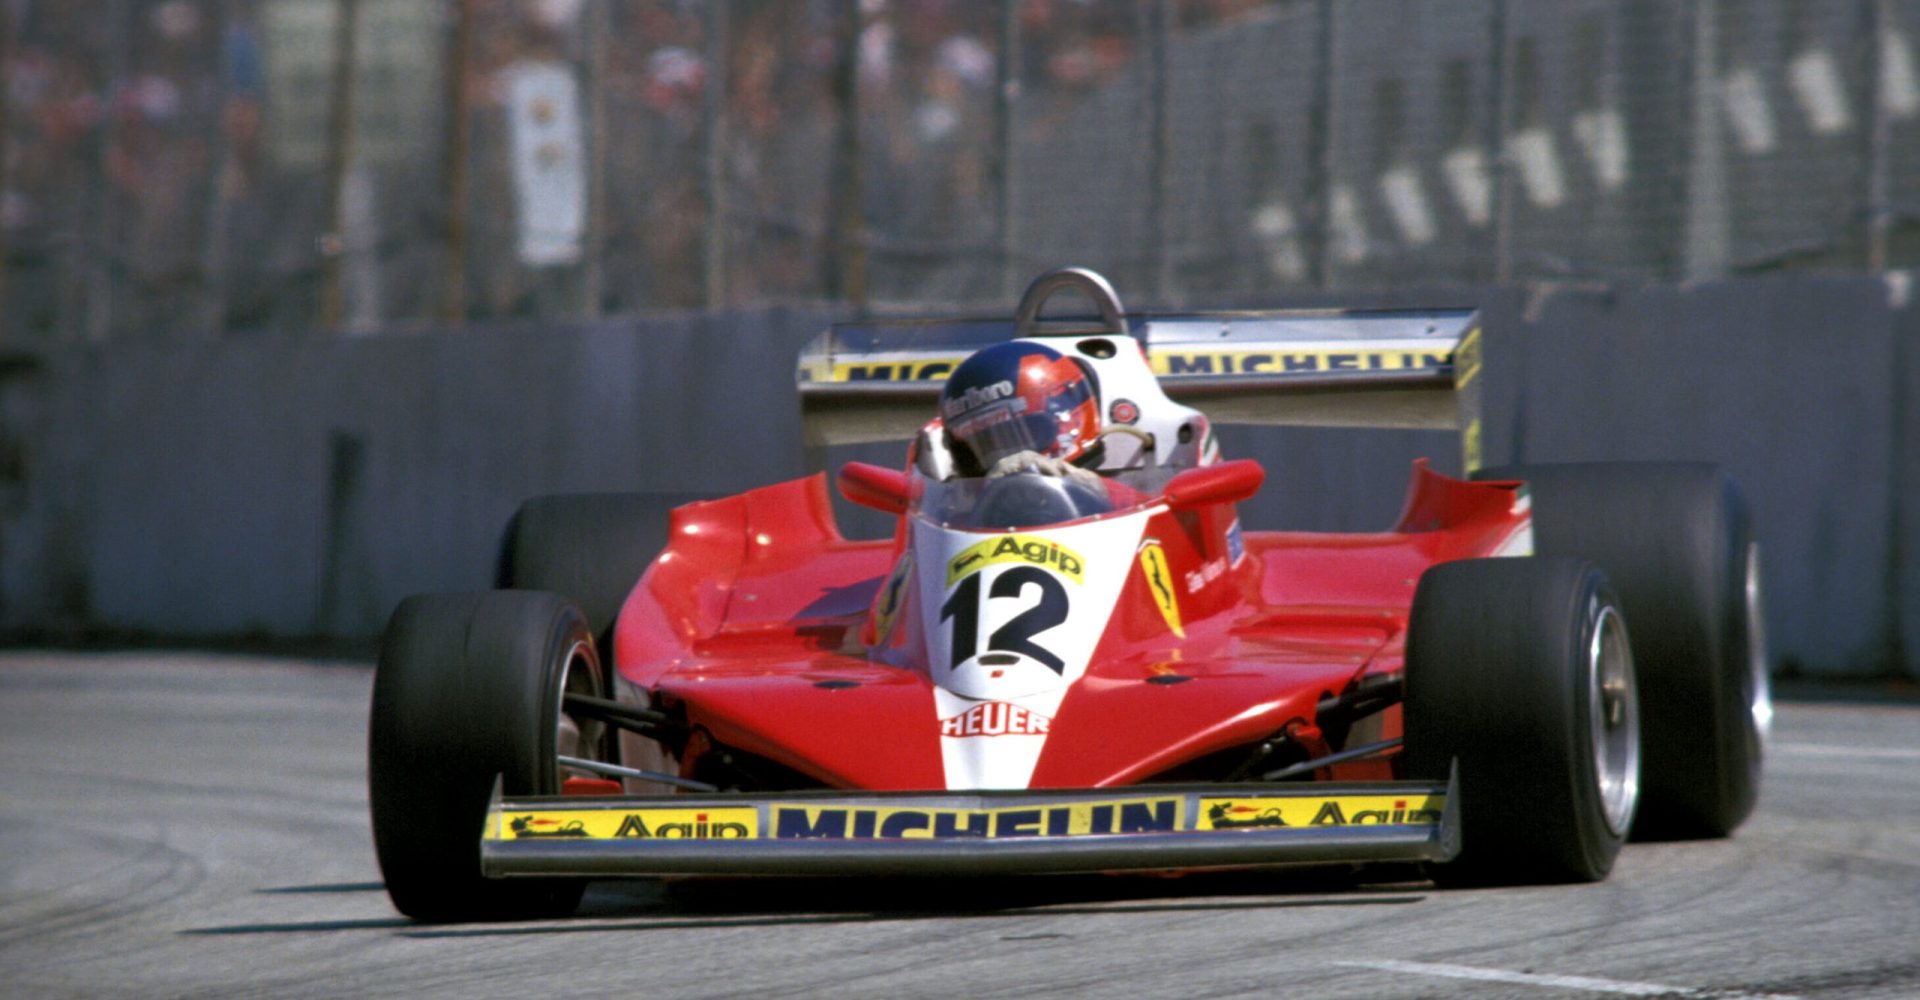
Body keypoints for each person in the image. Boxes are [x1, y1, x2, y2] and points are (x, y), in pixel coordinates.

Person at [936, 341, 1104, 485]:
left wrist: (1100, 490)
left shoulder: (1124, 497)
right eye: (986, 447)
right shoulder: (949, 511)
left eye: (1016, 437)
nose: (1008, 462)